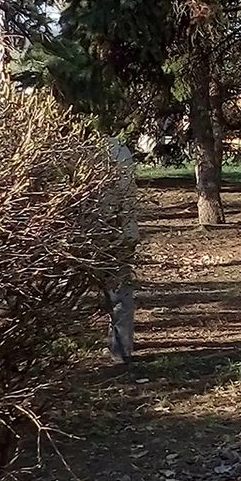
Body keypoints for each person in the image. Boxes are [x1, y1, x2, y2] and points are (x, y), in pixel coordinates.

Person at [106, 137, 139, 363]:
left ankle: (120, 348)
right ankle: (121, 349)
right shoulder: (119, 149)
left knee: (119, 292)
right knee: (120, 293)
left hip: (108, 230)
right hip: (118, 231)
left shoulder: (73, 148)